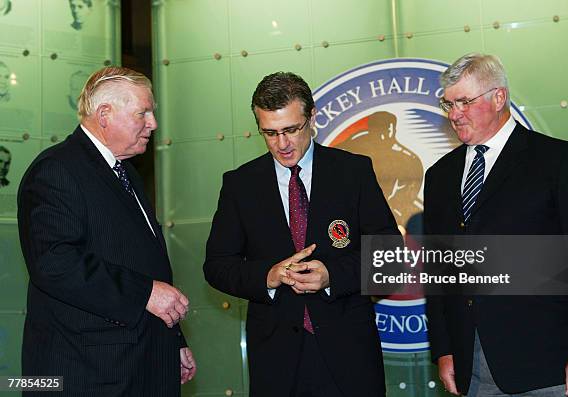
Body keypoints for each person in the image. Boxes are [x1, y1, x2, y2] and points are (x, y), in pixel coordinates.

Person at [424, 53, 568, 397]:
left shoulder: (557, 160)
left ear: (499, 97)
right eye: (448, 104)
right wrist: (445, 349)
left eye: (464, 101)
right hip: (472, 367)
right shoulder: (439, 176)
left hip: (549, 365)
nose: (454, 114)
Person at [204, 72, 399, 397]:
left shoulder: (353, 172)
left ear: (312, 118)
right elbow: (217, 266)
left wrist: (331, 275)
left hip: (349, 356)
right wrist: (268, 275)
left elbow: (390, 259)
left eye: (291, 130)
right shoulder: (240, 185)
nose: (282, 144)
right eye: (270, 133)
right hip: (277, 361)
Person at [18, 66, 196, 396]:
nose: (153, 124)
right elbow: (55, 263)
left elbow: (144, 265)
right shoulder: (56, 170)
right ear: (104, 114)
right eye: (143, 112)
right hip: (87, 374)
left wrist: (173, 340)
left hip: (140, 365)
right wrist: (145, 293)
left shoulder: (126, 173)